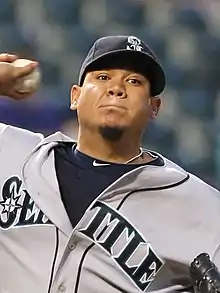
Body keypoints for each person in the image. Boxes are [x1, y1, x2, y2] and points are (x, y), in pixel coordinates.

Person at [0, 35, 220, 293]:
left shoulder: (201, 205)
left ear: (154, 107)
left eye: (134, 81)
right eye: (103, 77)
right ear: (75, 97)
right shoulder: (11, 150)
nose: (117, 88)